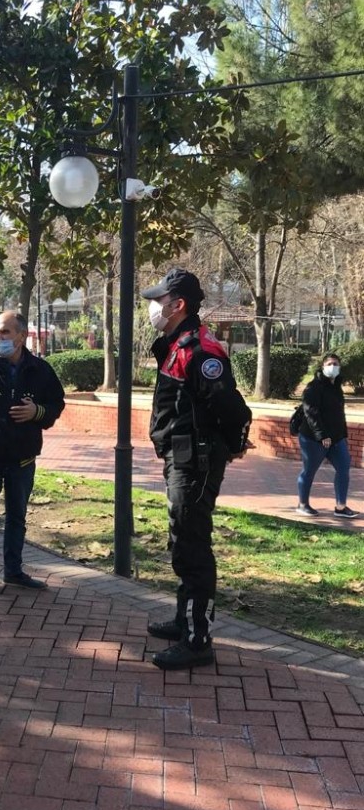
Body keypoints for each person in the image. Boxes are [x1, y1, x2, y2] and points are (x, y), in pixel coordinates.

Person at [142, 268, 252, 670]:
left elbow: (232, 408)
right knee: (181, 538)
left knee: (192, 546)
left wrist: (234, 444)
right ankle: (183, 620)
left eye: (159, 300)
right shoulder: (177, 345)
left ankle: (197, 639)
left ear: (178, 304)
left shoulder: (199, 351)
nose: (153, 307)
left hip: (196, 461)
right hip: (182, 458)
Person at [0, 310, 65, 600]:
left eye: (5, 332)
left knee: (16, 518)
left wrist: (38, 412)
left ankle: (14, 571)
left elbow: (56, 405)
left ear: (22, 336)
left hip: (22, 462)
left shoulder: (40, 370)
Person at [296, 353, 358, 519]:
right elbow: (311, 413)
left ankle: (341, 507)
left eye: (336, 363)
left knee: (344, 468)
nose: (333, 366)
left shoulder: (336, 386)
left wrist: (342, 435)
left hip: (337, 439)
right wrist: (321, 435)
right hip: (313, 438)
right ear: (323, 367)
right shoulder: (313, 387)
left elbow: (338, 414)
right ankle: (303, 505)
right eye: (329, 363)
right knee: (309, 471)